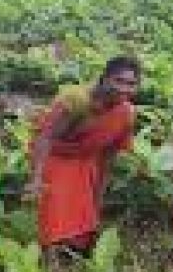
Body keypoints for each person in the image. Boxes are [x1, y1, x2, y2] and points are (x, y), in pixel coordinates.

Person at [28, 56, 140, 257]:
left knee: (85, 220)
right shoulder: (78, 100)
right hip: (55, 155)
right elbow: (45, 138)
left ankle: (69, 256)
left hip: (86, 160)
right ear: (104, 79)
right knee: (55, 211)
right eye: (119, 81)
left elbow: (108, 157)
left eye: (131, 84)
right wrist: (36, 178)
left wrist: (98, 195)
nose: (124, 89)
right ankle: (49, 259)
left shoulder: (126, 114)